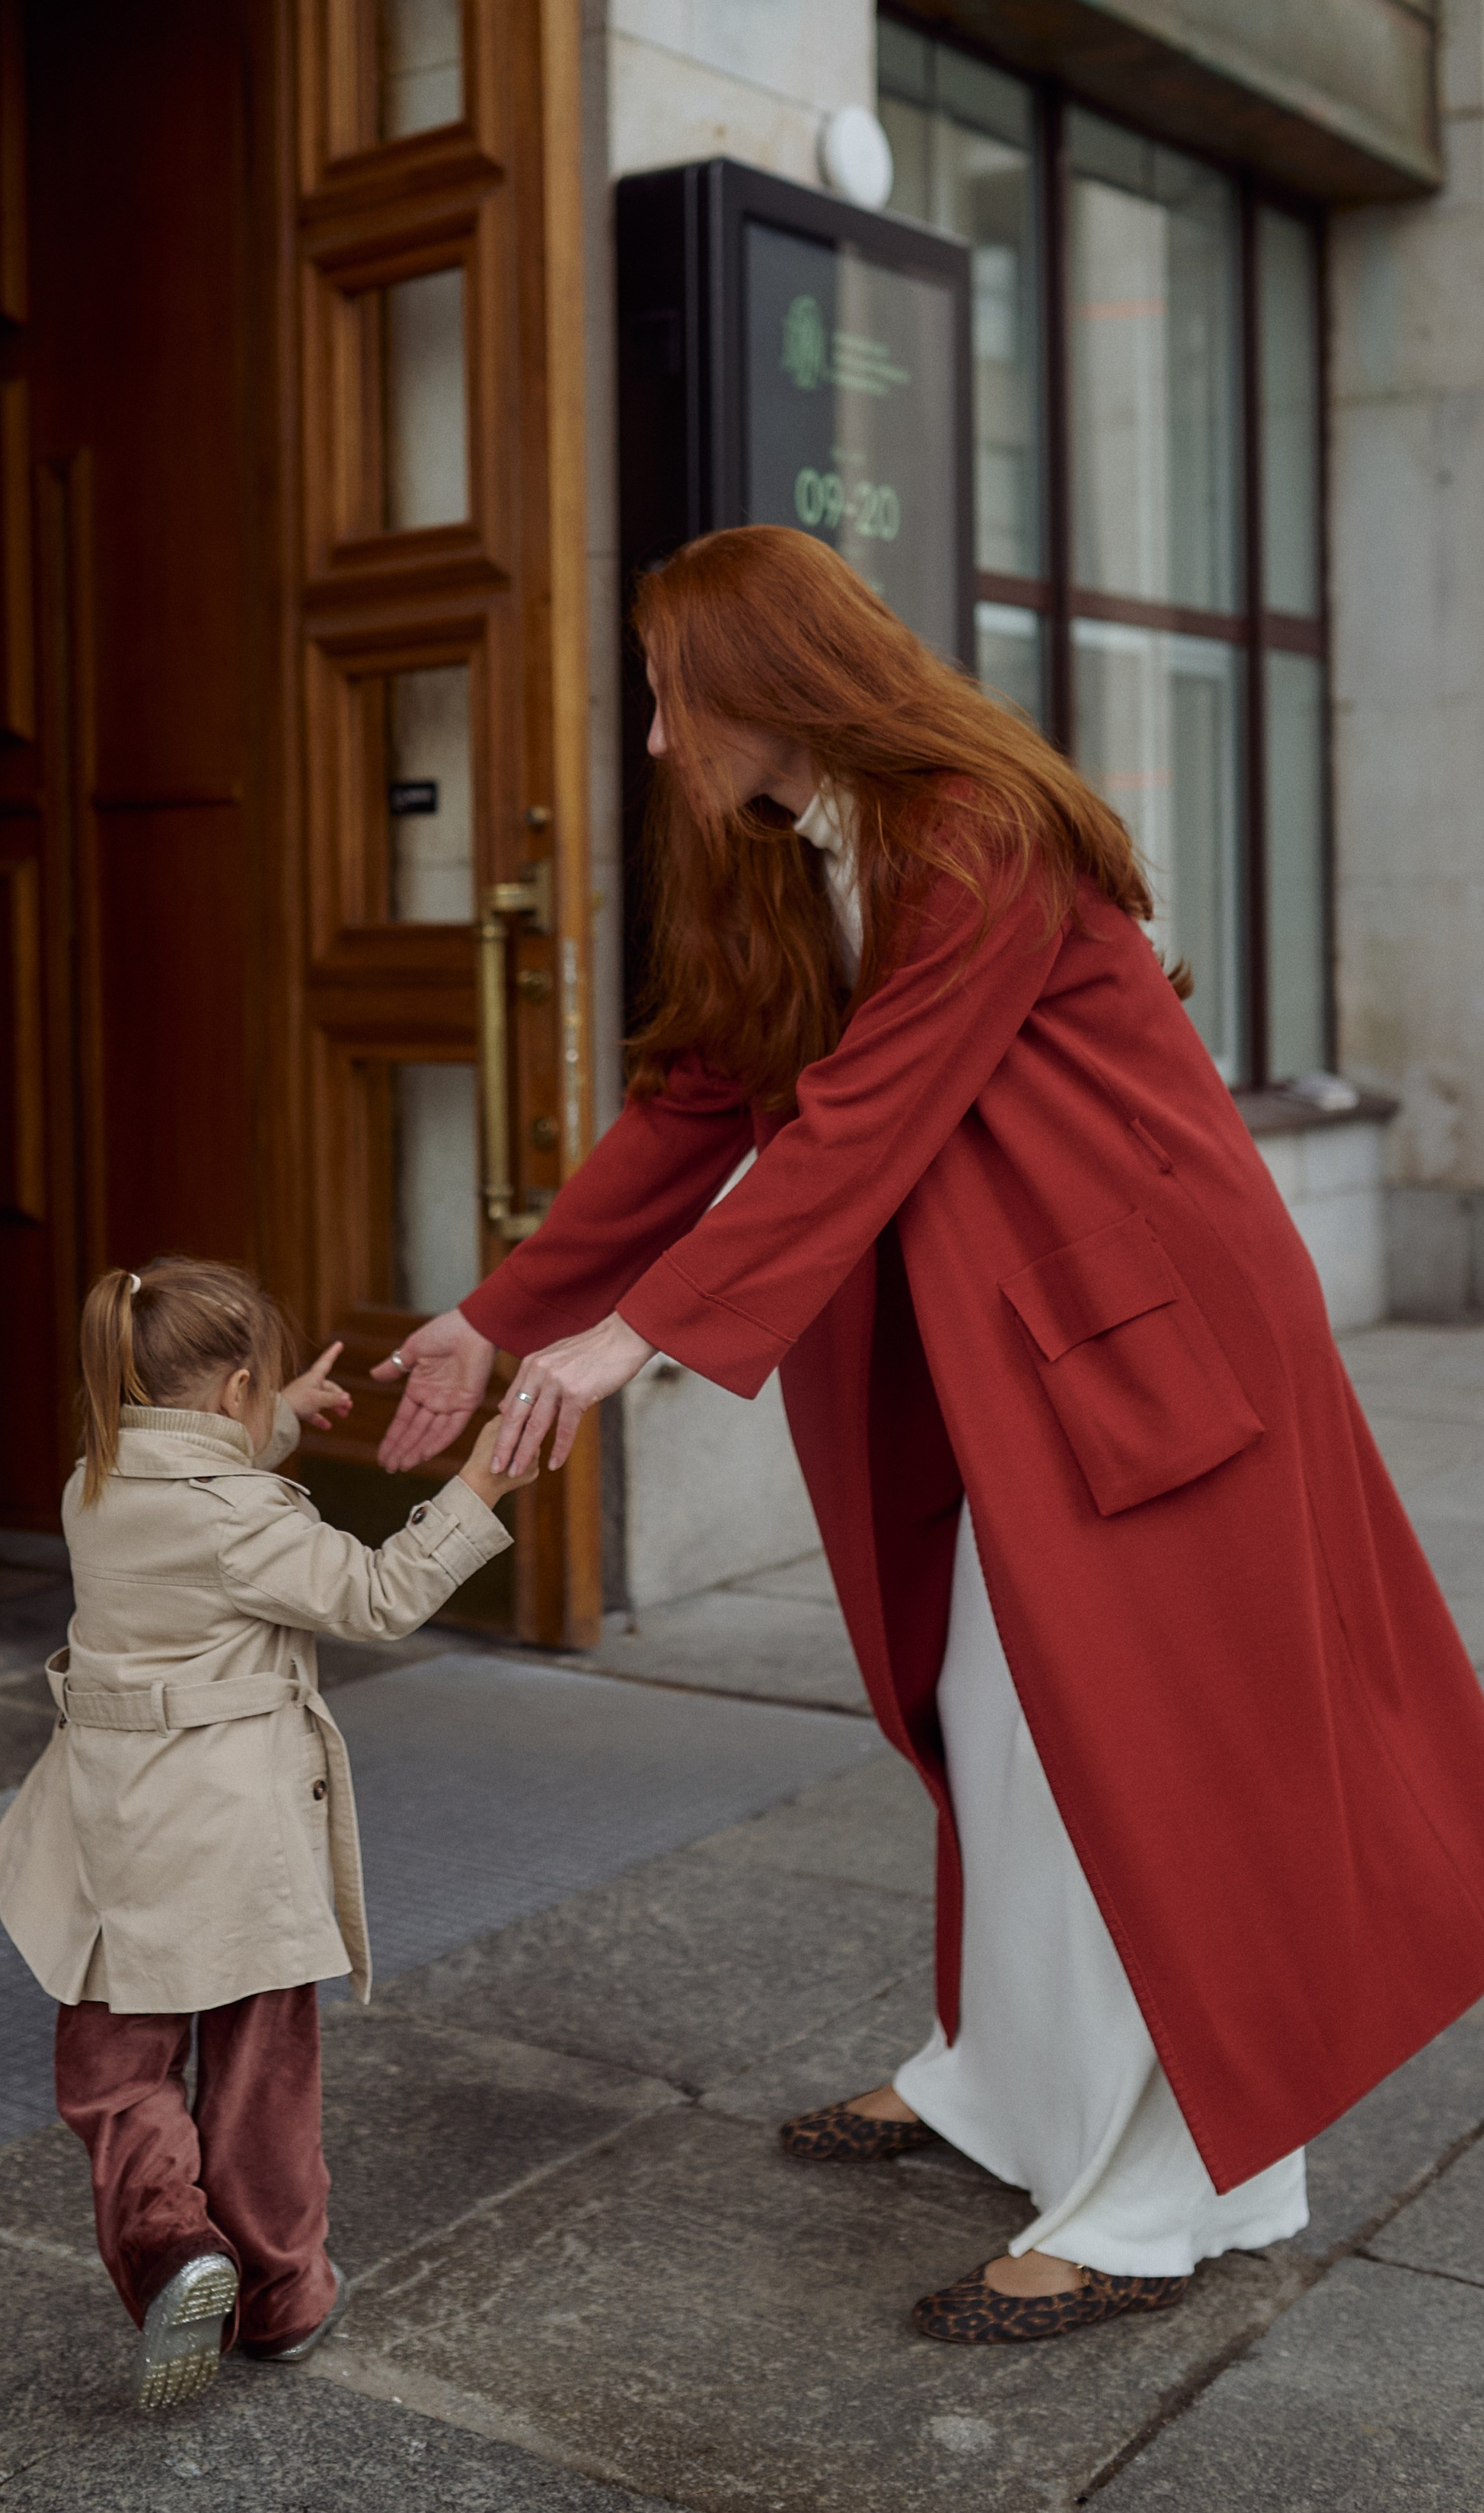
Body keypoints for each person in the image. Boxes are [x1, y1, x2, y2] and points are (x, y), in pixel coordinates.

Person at [374, 523, 1484, 2345]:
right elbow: (698, 1101)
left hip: (1143, 1336)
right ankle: (1000, 2083)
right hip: (1010, 1345)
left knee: (1130, 1749)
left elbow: (857, 1123)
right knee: (1000, 1716)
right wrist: (496, 1312)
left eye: (667, 698)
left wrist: (623, 1341)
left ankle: (1158, 2200)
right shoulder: (769, 852)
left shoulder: (978, 826)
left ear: (764, 685)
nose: (654, 741)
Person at [0, 1256, 535, 2409]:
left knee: (114, 2072)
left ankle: (173, 2247)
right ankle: (283, 2294)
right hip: (239, 1835)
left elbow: (198, 1483)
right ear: (235, 1387)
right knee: (259, 2076)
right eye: (264, 1390)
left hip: (117, 1827)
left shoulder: (97, 1477)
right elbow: (379, 1592)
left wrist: (275, 1417)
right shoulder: (247, 1515)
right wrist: (482, 1478)